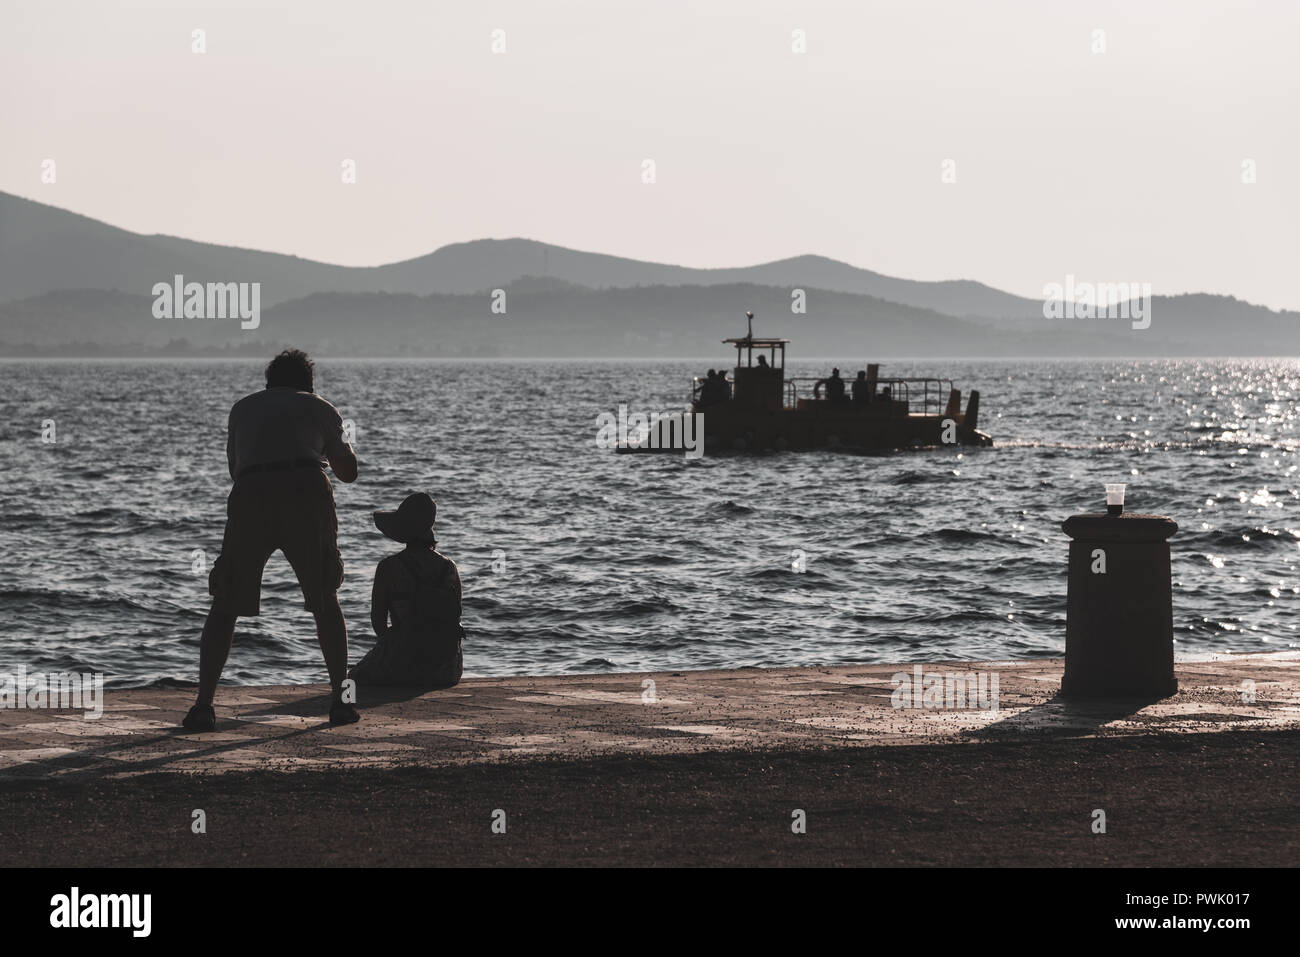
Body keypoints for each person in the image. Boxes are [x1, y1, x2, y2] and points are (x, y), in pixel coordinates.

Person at [182, 349, 359, 732]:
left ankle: (203, 705)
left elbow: (235, 468)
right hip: (306, 490)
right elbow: (348, 473)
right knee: (325, 598)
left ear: (269, 381)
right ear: (308, 382)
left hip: (252, 493)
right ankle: (341, 701)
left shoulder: (242, 409)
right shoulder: (320, 407)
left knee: (226, 601)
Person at [350, 492, 464, 689]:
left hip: (405, 663)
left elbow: (379, 623)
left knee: (352, 678)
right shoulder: (449, 567)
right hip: (447, 668)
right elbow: (455, 618)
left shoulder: (389, 567)